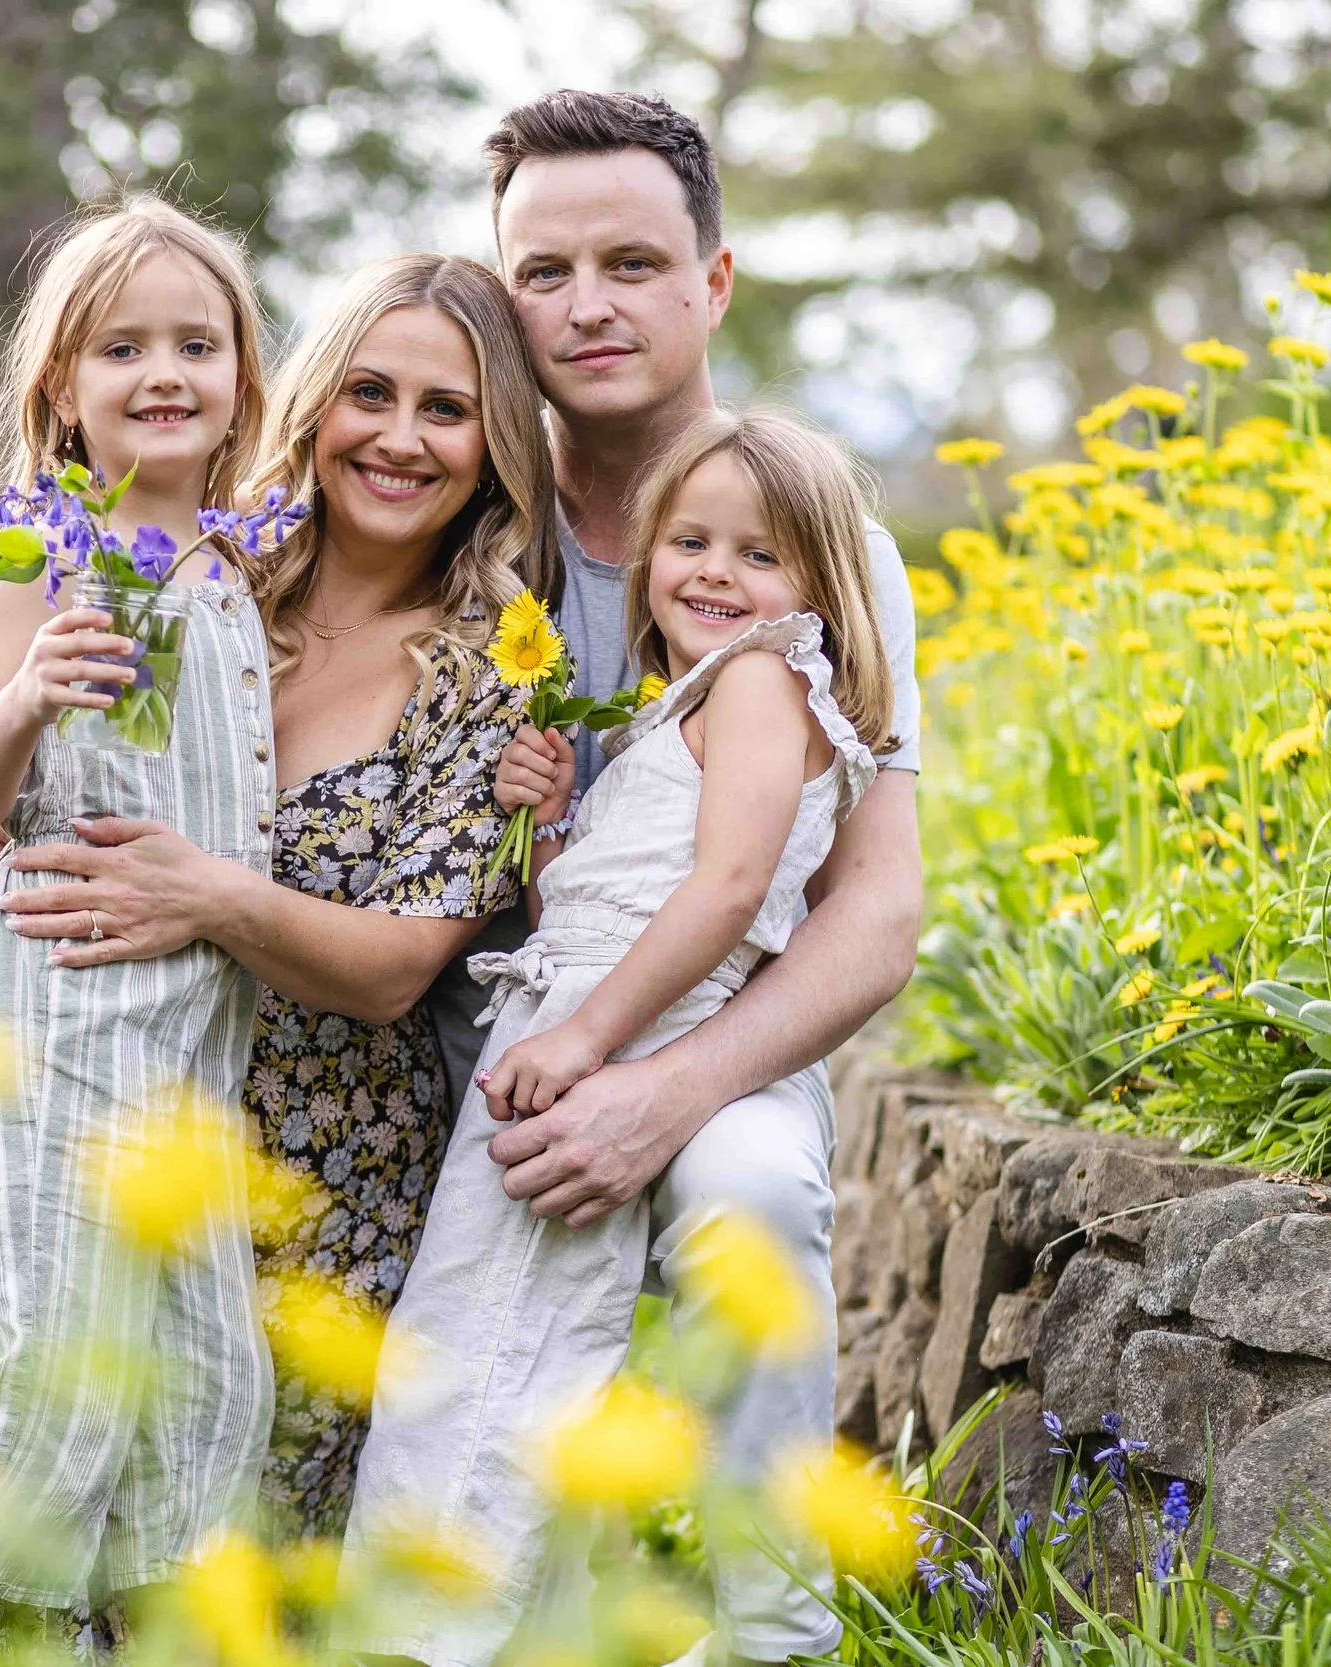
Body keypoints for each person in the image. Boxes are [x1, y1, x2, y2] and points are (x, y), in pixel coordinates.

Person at [0, 252, 559, 1544]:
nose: (402, 438)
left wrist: (210, 895)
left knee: (195, 1517)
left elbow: (390, 972)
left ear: (495, 450)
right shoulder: (194, 562)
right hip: (71, 1086)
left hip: (306, 1169)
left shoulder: (492, 672)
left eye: (449, 408)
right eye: (371, 391)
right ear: (308, 401)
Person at [399, 91, 928, 1667]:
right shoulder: (453, 509)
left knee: (751, 1190)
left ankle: (774, 1628)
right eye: (543, 271)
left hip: (710, 1017)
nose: (587, 305)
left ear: (713, 281)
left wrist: (671, 1089)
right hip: (464, 1025)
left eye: (633, 261)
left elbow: (877, 912)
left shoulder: (812, 543)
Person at [344, 408, 894, 1665]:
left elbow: (724, 889)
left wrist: (588, 1035)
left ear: (817, 582)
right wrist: (548, 833)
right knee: (506, 1328)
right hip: (585, 1007)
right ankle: (483, 1621)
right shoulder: (685, 705)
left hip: (624, 1028)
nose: (714, 571)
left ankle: (429, 1625)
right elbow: (609, 902)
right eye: (689, 540)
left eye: (760, 554)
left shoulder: (763, 676)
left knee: (483, 1334)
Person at [0, 194, 278, 1630]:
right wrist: (27, 693)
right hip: (60, 1005)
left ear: (245, 372)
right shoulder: (37, 558)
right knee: (62, 1366)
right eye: (124, 347)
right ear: (63, 385)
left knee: (210, 1386)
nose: (165, 372)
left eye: (199, 341)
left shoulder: (240, 566)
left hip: (193, 1023)